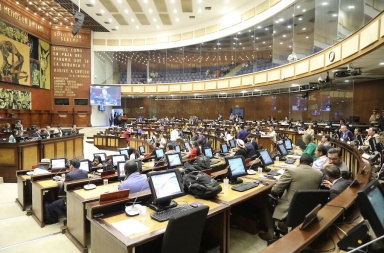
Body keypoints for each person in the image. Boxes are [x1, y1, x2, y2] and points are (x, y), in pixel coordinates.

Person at [259, 154, 323, 241]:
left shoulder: (291, 171)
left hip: (290, 208)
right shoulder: (319, 174)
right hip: (309, 208)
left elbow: (275, 191)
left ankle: (270, 233)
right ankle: (283, 225)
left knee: (267, 200)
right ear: (311, 164)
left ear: (300, 162)